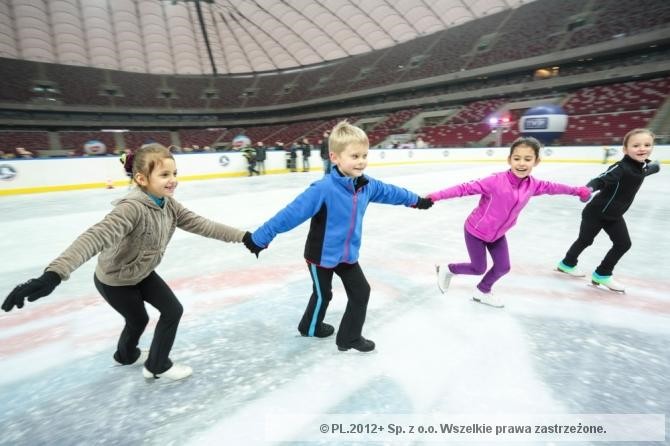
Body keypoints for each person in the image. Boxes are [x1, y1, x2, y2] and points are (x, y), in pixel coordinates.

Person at [2, 144, 247, 381]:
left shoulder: (169, 204)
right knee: (138, 319)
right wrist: (53, 274)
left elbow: (203, 224)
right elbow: (95, 236)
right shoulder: (131, 209)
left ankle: (126, 355)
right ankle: (155, 366)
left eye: (174, 173)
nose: (172, 179)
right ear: (141, 179)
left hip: (142, 273)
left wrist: (245, 237)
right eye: (164, 174)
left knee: (172, 310)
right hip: (115, 280)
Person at [242, 121, 433, 352]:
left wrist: (416, 201)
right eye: (354, 156)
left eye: (364, 155)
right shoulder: (323, 189)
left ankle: (349, 338)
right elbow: (290, 215)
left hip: (347, 254)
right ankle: (310, 327)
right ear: (335, 157)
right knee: (324, 295)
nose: (361, 161)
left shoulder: (367, 185)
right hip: (320, 255)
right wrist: (260, 238)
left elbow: (392, 192)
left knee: (361, 292)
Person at [428, 136, 592, 308]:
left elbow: (555, 187)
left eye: (528, 159)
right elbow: (464, 188)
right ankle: (448, 269)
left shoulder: (534, 185)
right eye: (517, 158)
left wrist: (577, 191)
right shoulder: (494, 181)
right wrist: (436, 196)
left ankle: (482, 291)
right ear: (509, 160)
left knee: (503, 267)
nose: (521, 163)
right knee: (478, 268)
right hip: (476, 231)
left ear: (536, 161)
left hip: (497, 234)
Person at [556, 128, 660, 292]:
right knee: (585, 240)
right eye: (636, 145)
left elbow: (644, 171)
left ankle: (602, 274)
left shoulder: (640, 167)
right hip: (596, 212)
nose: (642, 148)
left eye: (647, 145)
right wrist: (589, 188)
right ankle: (567, 264)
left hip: (614, 215)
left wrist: (655, 167)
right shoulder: (621, 167)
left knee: (623, 244)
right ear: (625, 149)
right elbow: (602, 179)